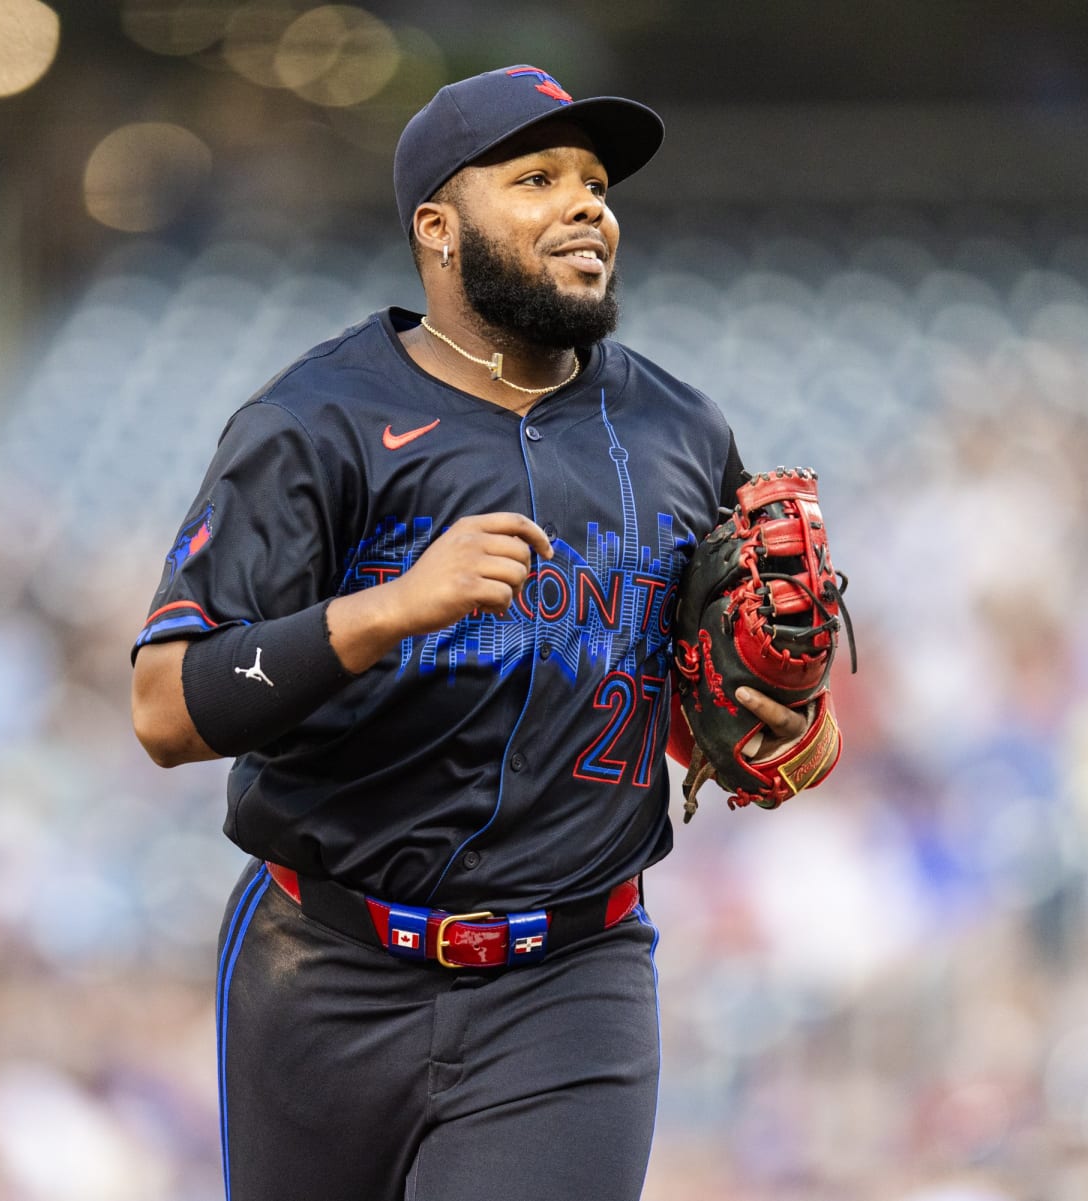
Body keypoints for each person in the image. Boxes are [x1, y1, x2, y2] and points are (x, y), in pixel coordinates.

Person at [130, 64, 808, 1201]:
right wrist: (390, 606)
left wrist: (759, 718)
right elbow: (168, 708)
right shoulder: (316, 420)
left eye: (595, 182)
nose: (587, 203)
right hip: (325, 964)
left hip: (569, 981)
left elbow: (698, 693)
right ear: (438, 228)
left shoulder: (680, 431)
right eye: (537, 176)